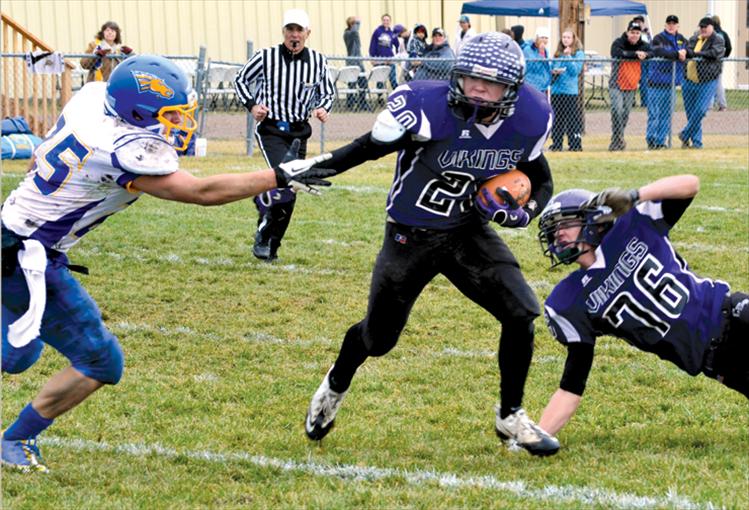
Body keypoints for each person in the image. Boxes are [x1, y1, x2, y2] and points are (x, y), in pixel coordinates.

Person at [0, 55, 333, 473]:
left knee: (18, 353)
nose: (179, 121)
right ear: (136, 113)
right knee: (101, 362)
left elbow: (38, 161)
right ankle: (15, 439)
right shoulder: (121, 148)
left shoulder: (92, 99)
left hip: (11, 234)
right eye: (169, 114)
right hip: (27, 258)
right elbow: (201, 191)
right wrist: (279, 176)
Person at [303, 32, 560, 457]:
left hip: (467, 229)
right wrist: (316, 166)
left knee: (521, 312)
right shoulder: (429, 108)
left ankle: (510, 414)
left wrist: (525, 210)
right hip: (411, 234)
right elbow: (369, 148)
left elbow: (541, 178)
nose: (477, 89)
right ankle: (335, 382)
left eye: (490, 83)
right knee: (379, 338)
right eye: (470, 78)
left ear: (511, 90)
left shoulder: (528, 118)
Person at [535, 175, 748, 444]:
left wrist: (635, 195)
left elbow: (690, 184)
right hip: (713, 360)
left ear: (592, 218)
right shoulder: (568, 300)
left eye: (564, 224)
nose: (558, 235)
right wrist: (537, 436)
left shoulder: (633, 226)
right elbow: (571, 384)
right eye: (553, 231)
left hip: (733, 313)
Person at [234, 9, 336, 261]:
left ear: (307, 34)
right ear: (283, 32)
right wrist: (252, 105)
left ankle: (271, 245)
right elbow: (240, 81)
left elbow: (328, 92)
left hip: (299, 131)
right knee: (287, 180)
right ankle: (264, 235)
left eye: (299, 30)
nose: (294, 34)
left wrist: (323, 107)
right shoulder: (266, 57)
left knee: (291, 188)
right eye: (290, 29)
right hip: (271, 129)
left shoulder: (318, 61)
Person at [679, 17, 725, 150]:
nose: (703, 29)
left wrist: (695, 53)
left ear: (712, 27)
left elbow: (714, 53)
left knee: (700, 110)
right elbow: (688, 50)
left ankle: (685, 134)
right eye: (701, 27)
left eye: (706, 26)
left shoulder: (718, 40)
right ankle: (696, 143)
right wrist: (684, 53)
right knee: (691, 113)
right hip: (689, 80)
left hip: (707, 81)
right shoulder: (694, 38)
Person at [645, 15, 688, 150]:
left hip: (671, 84)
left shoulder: (681, 39)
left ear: (678, 26)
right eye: (669, 23)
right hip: (655, 83)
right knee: (654, 114)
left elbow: (688, 50)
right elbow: (658, 50)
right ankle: (651, 139)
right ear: (665, 25)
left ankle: (660, 141)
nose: (671, 26)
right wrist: (676, 54)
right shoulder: (659, 38)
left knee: (666, 115)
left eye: (674, 23)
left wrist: (684, 52)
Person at [608, 20, 652, 151]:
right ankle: (618, 139)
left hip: (631, 85)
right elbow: (616, 52)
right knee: (617, 110)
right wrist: (635, 55)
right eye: (632, 32)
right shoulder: (619, 42)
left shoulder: (643, 45)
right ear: (627, 32)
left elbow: (652, 52)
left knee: (625, 114)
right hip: (616, 84)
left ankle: (617, 140)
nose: (634, 35)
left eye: (637, 33)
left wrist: (646, 54)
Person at [549, 29, 585, 152]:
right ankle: (557, 143)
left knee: (572, 120)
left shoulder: (578, 54)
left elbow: (575, 71)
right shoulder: (557, 53)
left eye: (568, 37)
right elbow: (553, 68)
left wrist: (569, 56)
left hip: (570, 92)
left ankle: (575, 144)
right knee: (557, 119)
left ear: (574, 39)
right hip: (557, 91)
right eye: (564, 37)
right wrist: (554, 72)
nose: (565, 39)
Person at [343, 15, 368, 111]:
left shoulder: (353, 33)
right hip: (353, 62)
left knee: (363, 83)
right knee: (352, 84)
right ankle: (350, 104)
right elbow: (354, 30)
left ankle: (362, 104)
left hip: (359, 61)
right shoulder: (349, 33)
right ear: (352, 24)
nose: (358, 25)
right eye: (356, 23)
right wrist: (357, 21)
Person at [369, 14, 399, 90]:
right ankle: (380, 98)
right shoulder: (377, 31)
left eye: (387, 20)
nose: (386, 22)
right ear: (382, 21)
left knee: (393, 79)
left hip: (390, 60)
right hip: (380, 60)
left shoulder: (392, 33)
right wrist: (373, 58)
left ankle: (397, 93)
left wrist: (396, 57)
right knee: (380, 81)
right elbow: (373, 45)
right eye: (384, 20)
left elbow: (397, 45)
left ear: (390, 21)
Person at [522, 27, 552, 96]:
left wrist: (552, 69)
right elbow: (534, 66)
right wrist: (540, 53)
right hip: (532, 84)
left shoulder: (545, 50)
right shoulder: (528, 49)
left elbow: (546, 66)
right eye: (542, 37)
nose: (544, 40)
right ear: (537, 37)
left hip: (543, 85)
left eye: (546, 38)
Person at [710, 15, 731, 111]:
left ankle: (709, 105)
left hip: (709, 60)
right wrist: (724, 56)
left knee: (709, 82)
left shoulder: (712, 34)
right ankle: (722, 105)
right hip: (719, 60)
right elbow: (729, 47)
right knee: (718, 82)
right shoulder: (723, 34)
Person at [632, 15, 652, 107]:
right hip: (634, 59)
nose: (638, 23)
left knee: (644, 80)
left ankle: (645, 102)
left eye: (640, 22)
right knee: (632, 79)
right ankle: (631, 101)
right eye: (636, 22)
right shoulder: (633, 32)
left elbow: (649, 46)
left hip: (644, 60)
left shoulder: (647, 33)